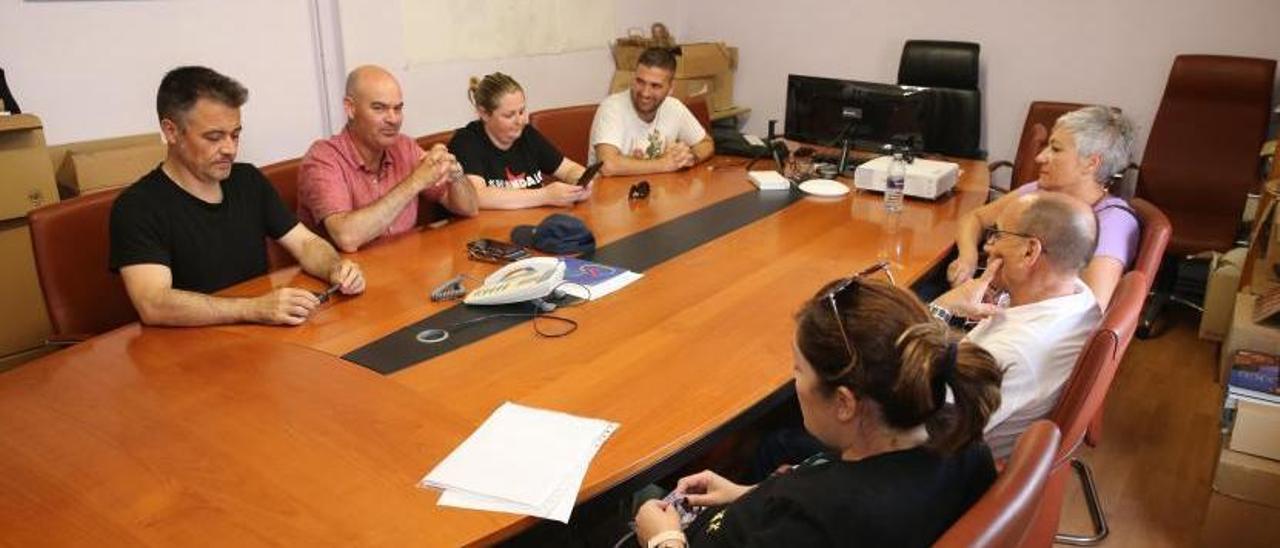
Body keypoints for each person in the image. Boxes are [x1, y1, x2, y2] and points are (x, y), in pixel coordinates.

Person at [634, 267, 1004, 548]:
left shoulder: (816, 520)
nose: (795, 381)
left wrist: (663, 539)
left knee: (638, 498)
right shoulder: (961, 443)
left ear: (844, 402)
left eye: (798, 369)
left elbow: (814, 517)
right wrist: (746, 493)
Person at [109, 66, 364, 327]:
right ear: (171, 131)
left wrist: (335, 268)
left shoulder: (247, 180)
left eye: (235, 135)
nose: (230, 149)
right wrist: (253, 308)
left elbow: (306, 244)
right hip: (188, 350)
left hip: (261, 336)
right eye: (214, 137)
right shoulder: (137, 207)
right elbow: (154, 303)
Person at [933, 192, 1101, 458]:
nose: (988, 246)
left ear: (1029, 251)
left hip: (946, 466)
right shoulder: (1081, 297)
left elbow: (929, 428)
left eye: (998, 235)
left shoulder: (1011, 350)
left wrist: (940, 308)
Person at [947, 106, 1138, 308]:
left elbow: (1089, 312)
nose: (1039, 157)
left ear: (1091, 164)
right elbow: (975, 218)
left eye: (1055, 149)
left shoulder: (1113, 223)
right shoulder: (1040, 190)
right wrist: (968, 257)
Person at [298, 65, 478, 252]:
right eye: (379, 108)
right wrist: (416, 181)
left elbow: (469, 209)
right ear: (350, 108)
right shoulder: (322, 159)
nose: (393, 119)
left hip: (404, 267)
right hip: (347, 276)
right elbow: (347, 237)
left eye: (398, 109)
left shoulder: (405, 146)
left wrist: (455, 173)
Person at [449, 72, 591, 209]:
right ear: (484, 113)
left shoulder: (527, 134)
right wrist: (544, 195)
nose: (520, 121)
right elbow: (477, 196)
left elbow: (569, 169)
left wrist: (579, 183)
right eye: (509, 115)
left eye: (522, 111)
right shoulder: (466, 141)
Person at [589, 47, 714, 176]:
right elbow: (608, 165)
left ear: (670, 88)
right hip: (611, 194)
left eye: (655, 86)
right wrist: (664, 164)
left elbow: (706, 143)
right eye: (640, 82)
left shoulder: (674, 107)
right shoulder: (612, 107)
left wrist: (689, 158)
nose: (645, 93)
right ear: (633, 78)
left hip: (658, 190)